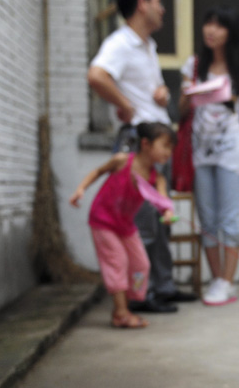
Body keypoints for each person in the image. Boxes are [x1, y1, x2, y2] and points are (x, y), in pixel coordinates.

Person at [87, 0, 197, 314]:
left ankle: (162, 287)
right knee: (142, 221)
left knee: (160, 215)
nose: (163, 8)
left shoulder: (146, 45)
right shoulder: (121, 43)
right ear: (141, 4)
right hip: (138, 141)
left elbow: (146, 88)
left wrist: (160, 95)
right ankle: (141, 294)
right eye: (158, 0)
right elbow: (96, 76)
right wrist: (127, 105)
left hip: (155, 141)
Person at [180, 7, 239, 306]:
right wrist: (187, 93)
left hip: (231, 151)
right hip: (200, 152)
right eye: (207, 23)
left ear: (231, 32)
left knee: (230, 220)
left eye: (219, 26)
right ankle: (216, 279)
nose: (210, 30)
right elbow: (182, 111)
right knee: (207, 219)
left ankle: (227, 281)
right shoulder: (194, 65)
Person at [70, 122, 177, 329]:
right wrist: (80, 189)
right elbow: (98, 172)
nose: (168, 152)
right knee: (117, 262)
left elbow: (164, 202)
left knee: (141, 265)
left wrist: (168, 214)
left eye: (171, 148)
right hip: (103, 221)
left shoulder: (157, 177)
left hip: (126, 225)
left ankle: (125, 306)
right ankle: (121, 312)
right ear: (145, 144)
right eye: (165, 146)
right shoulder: (122, 161)